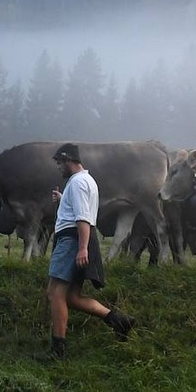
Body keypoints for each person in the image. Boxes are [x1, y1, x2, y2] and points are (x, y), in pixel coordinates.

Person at [40, 143, 134, 360]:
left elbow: (83, 217)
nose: (58, 168)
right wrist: (63, 200)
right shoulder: (85, 181)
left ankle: (58, 351)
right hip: (76, 239)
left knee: (55, 294)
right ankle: (119, 321)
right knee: (71, 296)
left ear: (68, 160)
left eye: (59, 163)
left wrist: (82, 248)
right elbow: (81, 211)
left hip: (71, 241)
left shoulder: (78, 183)